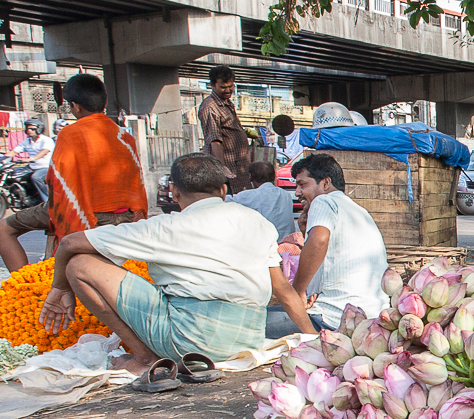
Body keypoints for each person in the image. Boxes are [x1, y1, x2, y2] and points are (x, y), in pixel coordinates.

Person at [42, 153, 314, 387]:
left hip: (187, 342)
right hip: (247, 339)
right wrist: (314, 342)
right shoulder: (257, 222)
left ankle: (144, 359)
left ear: (174, 193)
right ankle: (152, 355)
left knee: (80, 264)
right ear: (222, 190)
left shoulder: (163, 227)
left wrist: (59, 289)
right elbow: (283, 290)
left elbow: (68, 243)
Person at [0, 73, 148, 273]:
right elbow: (137, 184)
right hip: (127, 216)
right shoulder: (125, 136)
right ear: (105, 102)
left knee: (2, 229)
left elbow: (57, 184)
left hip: (84, 213)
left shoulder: (69, 134)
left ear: (75, 106)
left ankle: (26, 285)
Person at [289, 153, 390, 330]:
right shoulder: (357, 210)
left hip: (335, 316)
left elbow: (319, 241)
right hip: (373, 316)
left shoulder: (323, 200)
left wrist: (296, 291)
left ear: (325, 183)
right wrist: (306, 231)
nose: (298, 192)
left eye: (303, 185)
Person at [198, 65, 255, 194]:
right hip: (228, 170)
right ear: (212, 85)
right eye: (223, 87)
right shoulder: (210, 106)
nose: (228, 90)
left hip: (239, 167)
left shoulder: (227, 103)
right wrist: (222, 167)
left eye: (231, 86)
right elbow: (214, 140)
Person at [228, 159, 296, 239]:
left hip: (267, 243)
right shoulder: (285, 194)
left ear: (250, 176)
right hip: (288, 243)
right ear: (274, 177)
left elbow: (223, 200)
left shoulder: (249, 195)